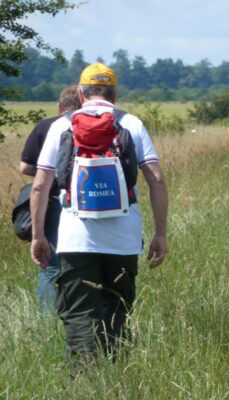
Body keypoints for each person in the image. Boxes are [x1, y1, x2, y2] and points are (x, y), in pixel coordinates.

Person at [29, 63, 168, 362]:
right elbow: (156, 179)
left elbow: (40, 186)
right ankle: (115, 377)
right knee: (118, 312)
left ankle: (83, 383)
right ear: (115, 95)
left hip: (75, 239)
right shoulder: (132, 123)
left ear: (80, 93)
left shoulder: (61, 126)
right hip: (124, 240)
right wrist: (160, 233)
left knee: (80, 317)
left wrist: (38, 236)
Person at [20, 86, 81, 311]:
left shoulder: (46, 126)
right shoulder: (87, 125)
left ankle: (48, 320)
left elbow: (24, 166)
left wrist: (47, 176)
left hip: (50, 204)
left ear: (59, 106)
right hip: (82, 204)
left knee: (50, 266)